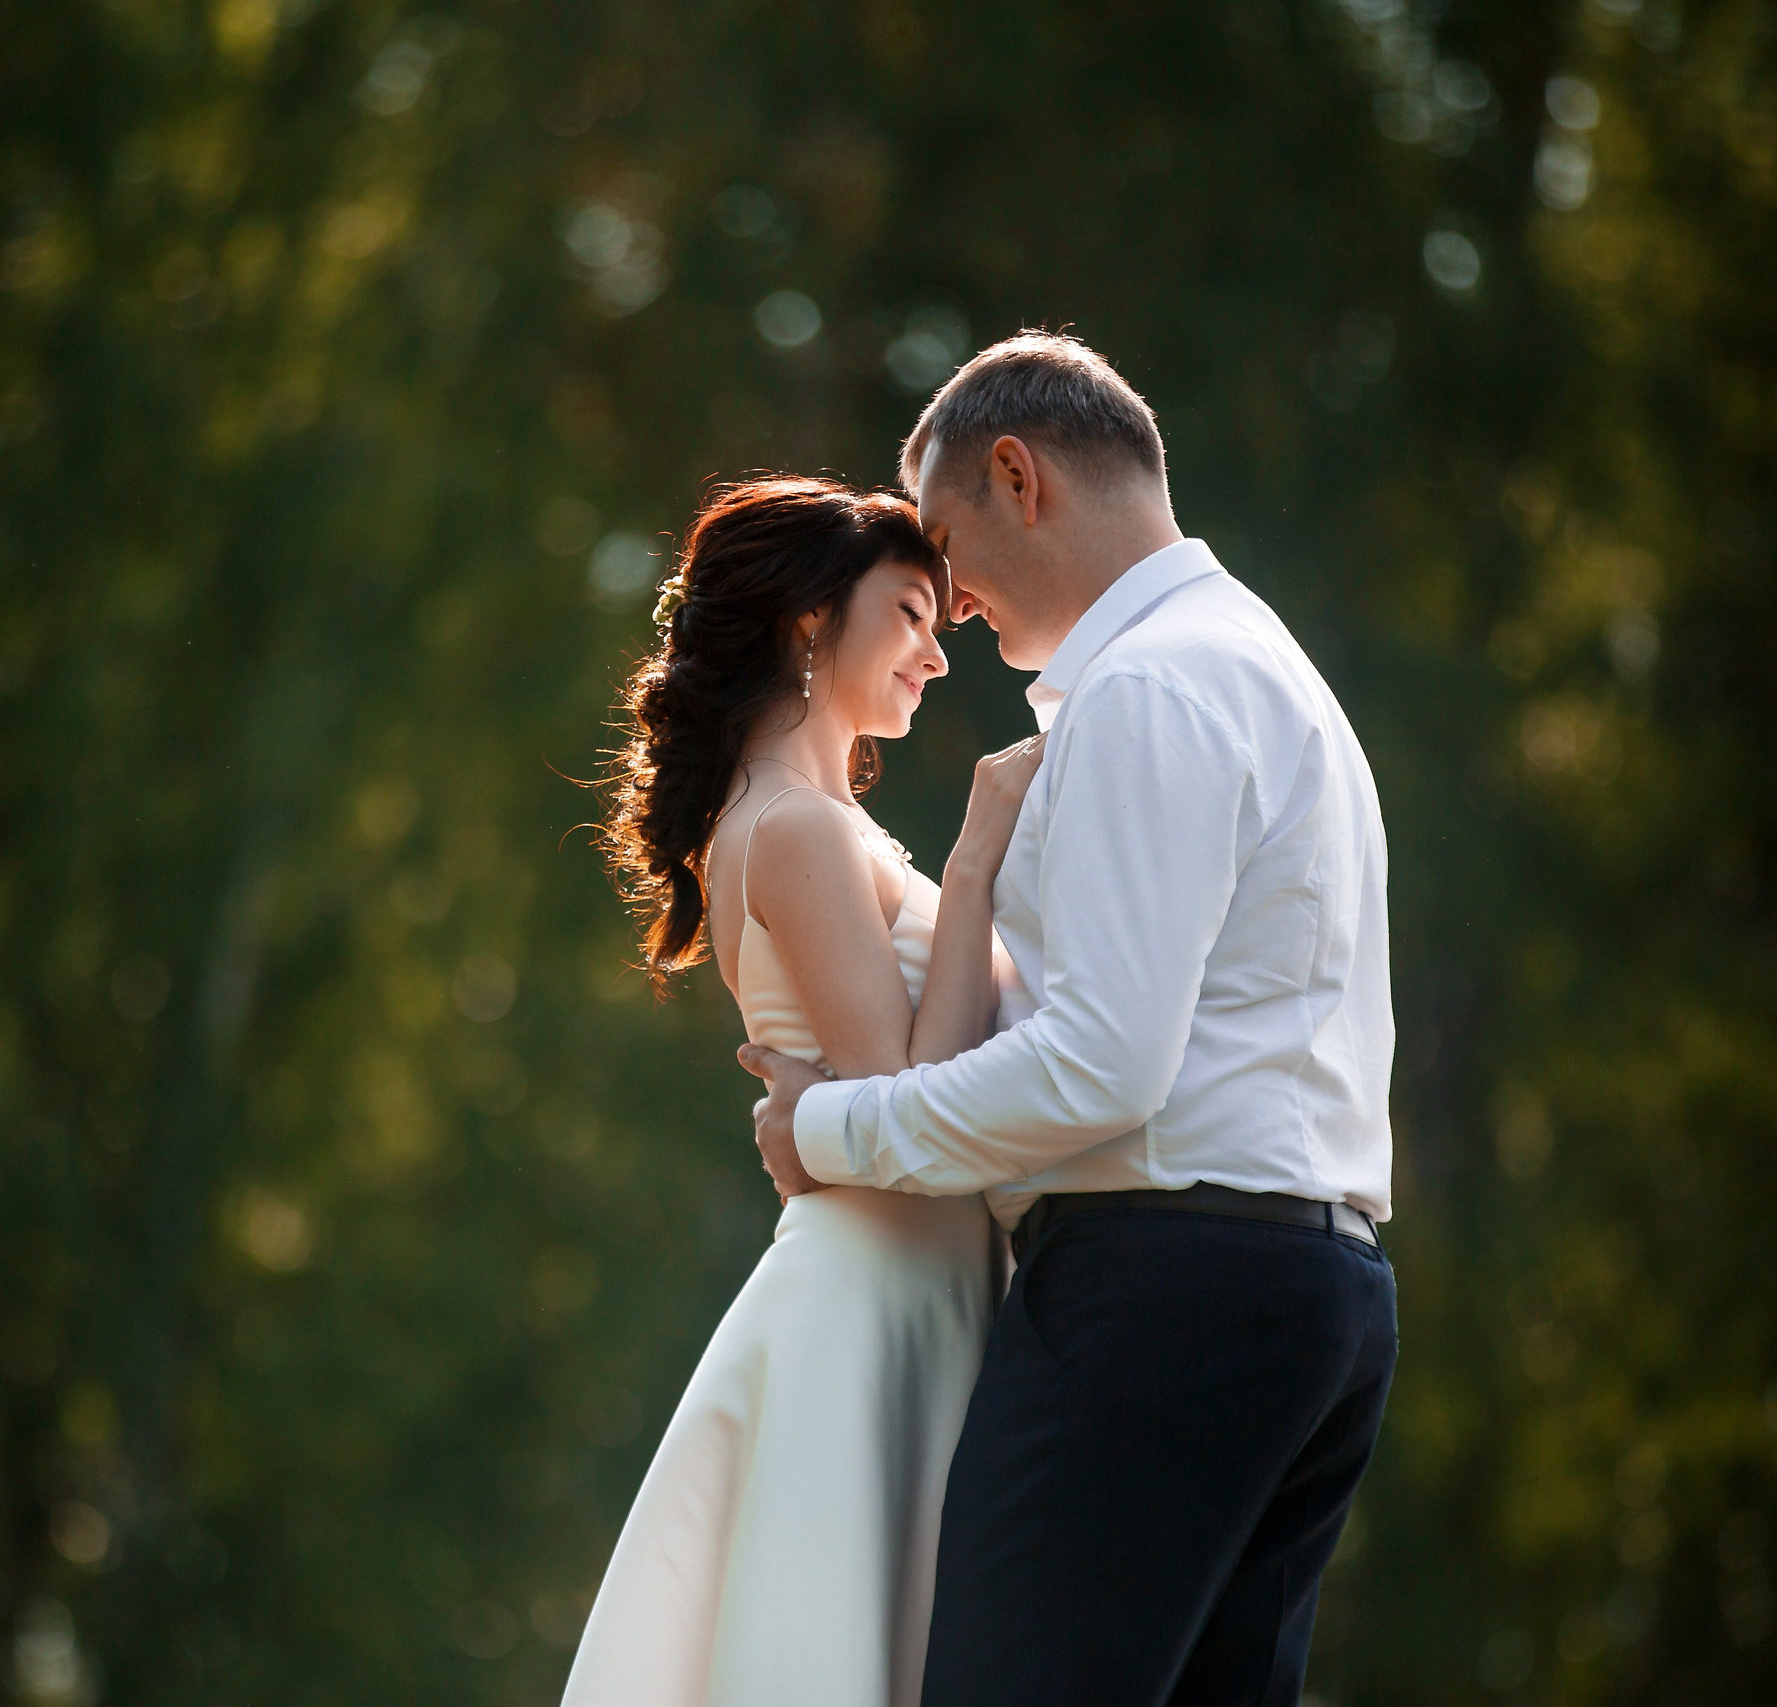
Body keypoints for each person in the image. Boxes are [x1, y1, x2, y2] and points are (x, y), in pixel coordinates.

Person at [743, 331, 1399, 1707]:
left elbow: (1104, 1063)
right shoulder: (1260, 661)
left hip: (1166, 1296)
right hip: (1309, 1293)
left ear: (1017, 475)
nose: (953, 603)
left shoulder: (1152, 685)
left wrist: (833, 1125)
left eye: (945, 537)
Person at [566, 476, 1046, 1707]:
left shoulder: (806, 823)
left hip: (917, 1283)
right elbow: (907, 1102)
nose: (938, 658)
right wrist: (979, 858)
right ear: (805, 625)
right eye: (910, 615)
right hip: (875, 1293)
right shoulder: (796, 829)